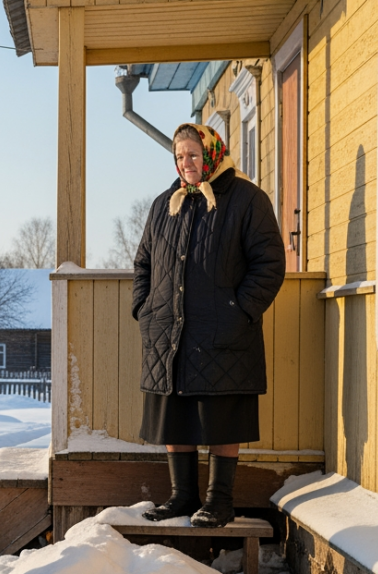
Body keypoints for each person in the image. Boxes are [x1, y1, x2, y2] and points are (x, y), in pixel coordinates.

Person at [132, 123, 286, 528]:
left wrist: (239, 310)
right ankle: (182, 497)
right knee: (174, 413)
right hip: (168, 333)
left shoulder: (247, 199)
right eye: (180, 156)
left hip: (224, 331)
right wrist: (144, 310)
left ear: (213, 154)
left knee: (221, 415)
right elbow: (143, 263)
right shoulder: (165, 204)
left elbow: (270, 264)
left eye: (193, 155)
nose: (186, 163)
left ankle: (220, 501)